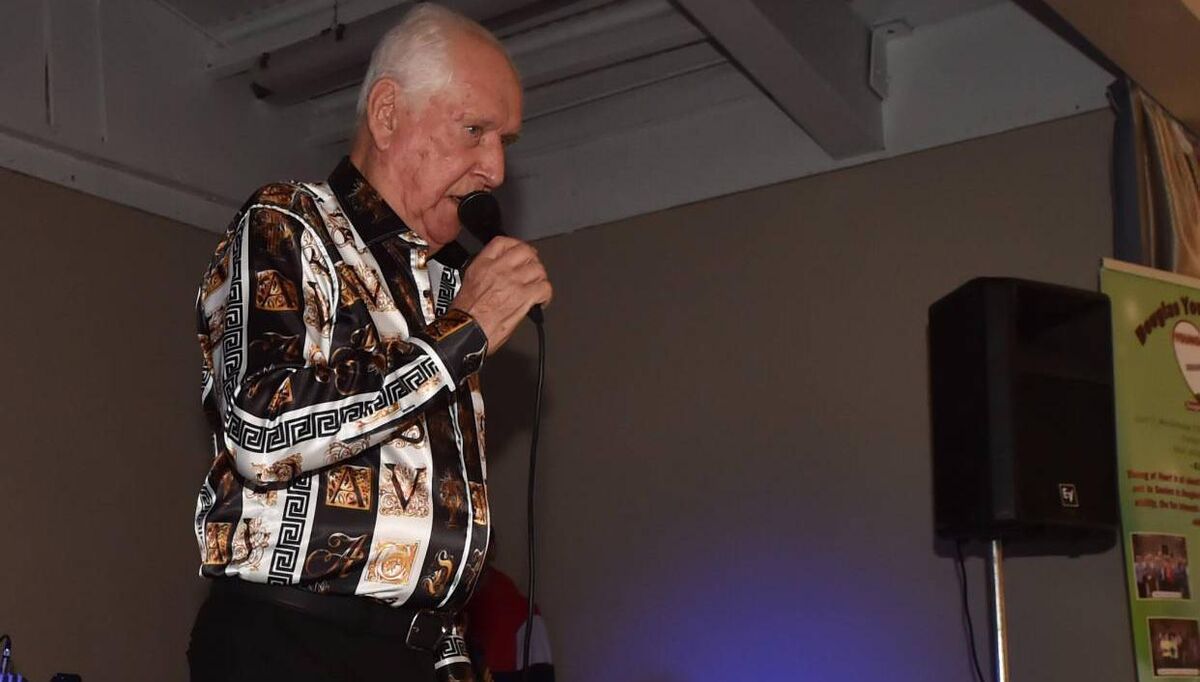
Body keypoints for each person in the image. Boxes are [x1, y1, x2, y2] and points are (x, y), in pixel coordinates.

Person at [186, 4, 551, 680]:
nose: (495, 168)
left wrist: (451, 655)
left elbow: (421, 527)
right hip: (291, 645)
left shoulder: (441, 288)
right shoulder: (286, 226)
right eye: (474, 130)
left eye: (504, 140)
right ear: (387, 116)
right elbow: (261, 431)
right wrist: (459, 336)